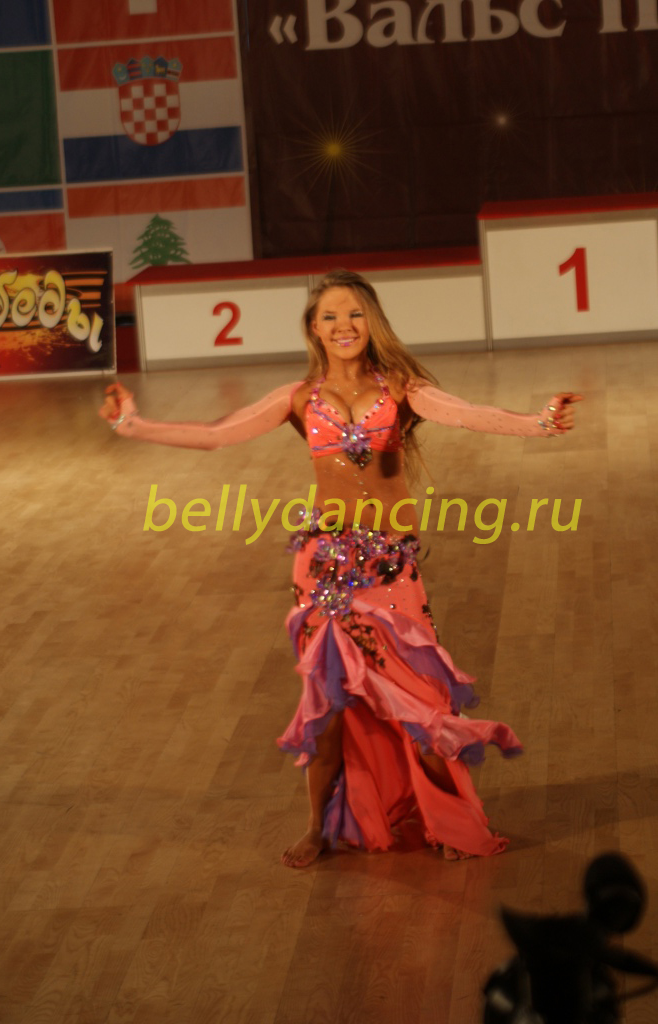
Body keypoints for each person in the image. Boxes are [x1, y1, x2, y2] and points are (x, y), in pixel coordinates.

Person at [100, 270, 581, 868]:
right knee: (328, 707)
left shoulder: (400, 389)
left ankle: (448, 820)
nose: (343, 325)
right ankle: (318, 827)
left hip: (390, 572)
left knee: (422, 702)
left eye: (354, 313)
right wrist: (132, 425)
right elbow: (218, 435)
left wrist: (539, 422)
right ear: (313, 329)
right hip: (324, 572)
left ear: (371, 321)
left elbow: (466, 413)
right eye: (329, 316)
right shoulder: (300, 398)